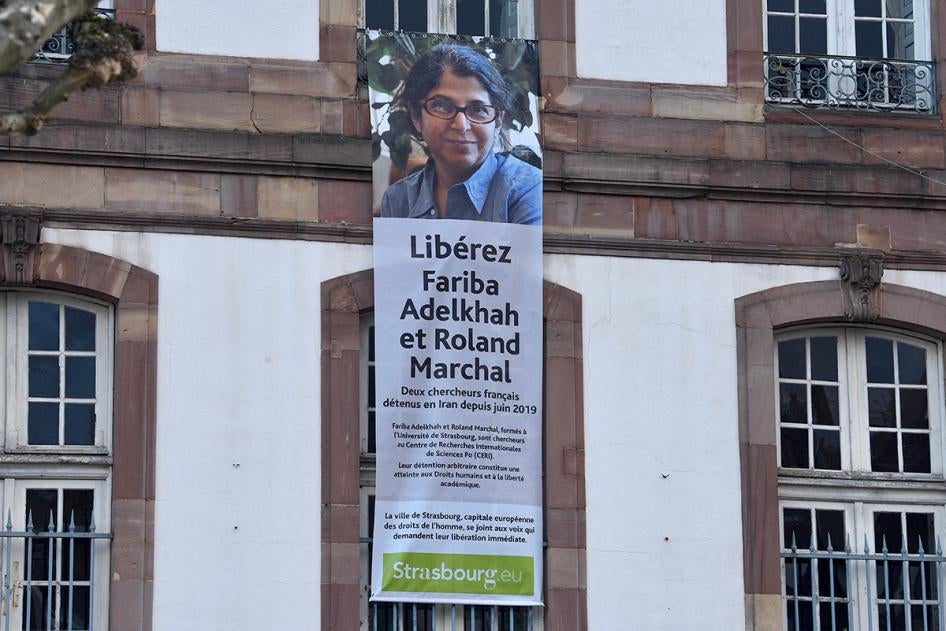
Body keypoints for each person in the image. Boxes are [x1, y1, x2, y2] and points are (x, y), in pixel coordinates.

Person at [380, 44, 542, 225]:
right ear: (417, 117)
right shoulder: (397, 201)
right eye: (441, 106)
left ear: (497, 122)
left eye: (478, 109)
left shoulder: (529, 191)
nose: (461, 125)